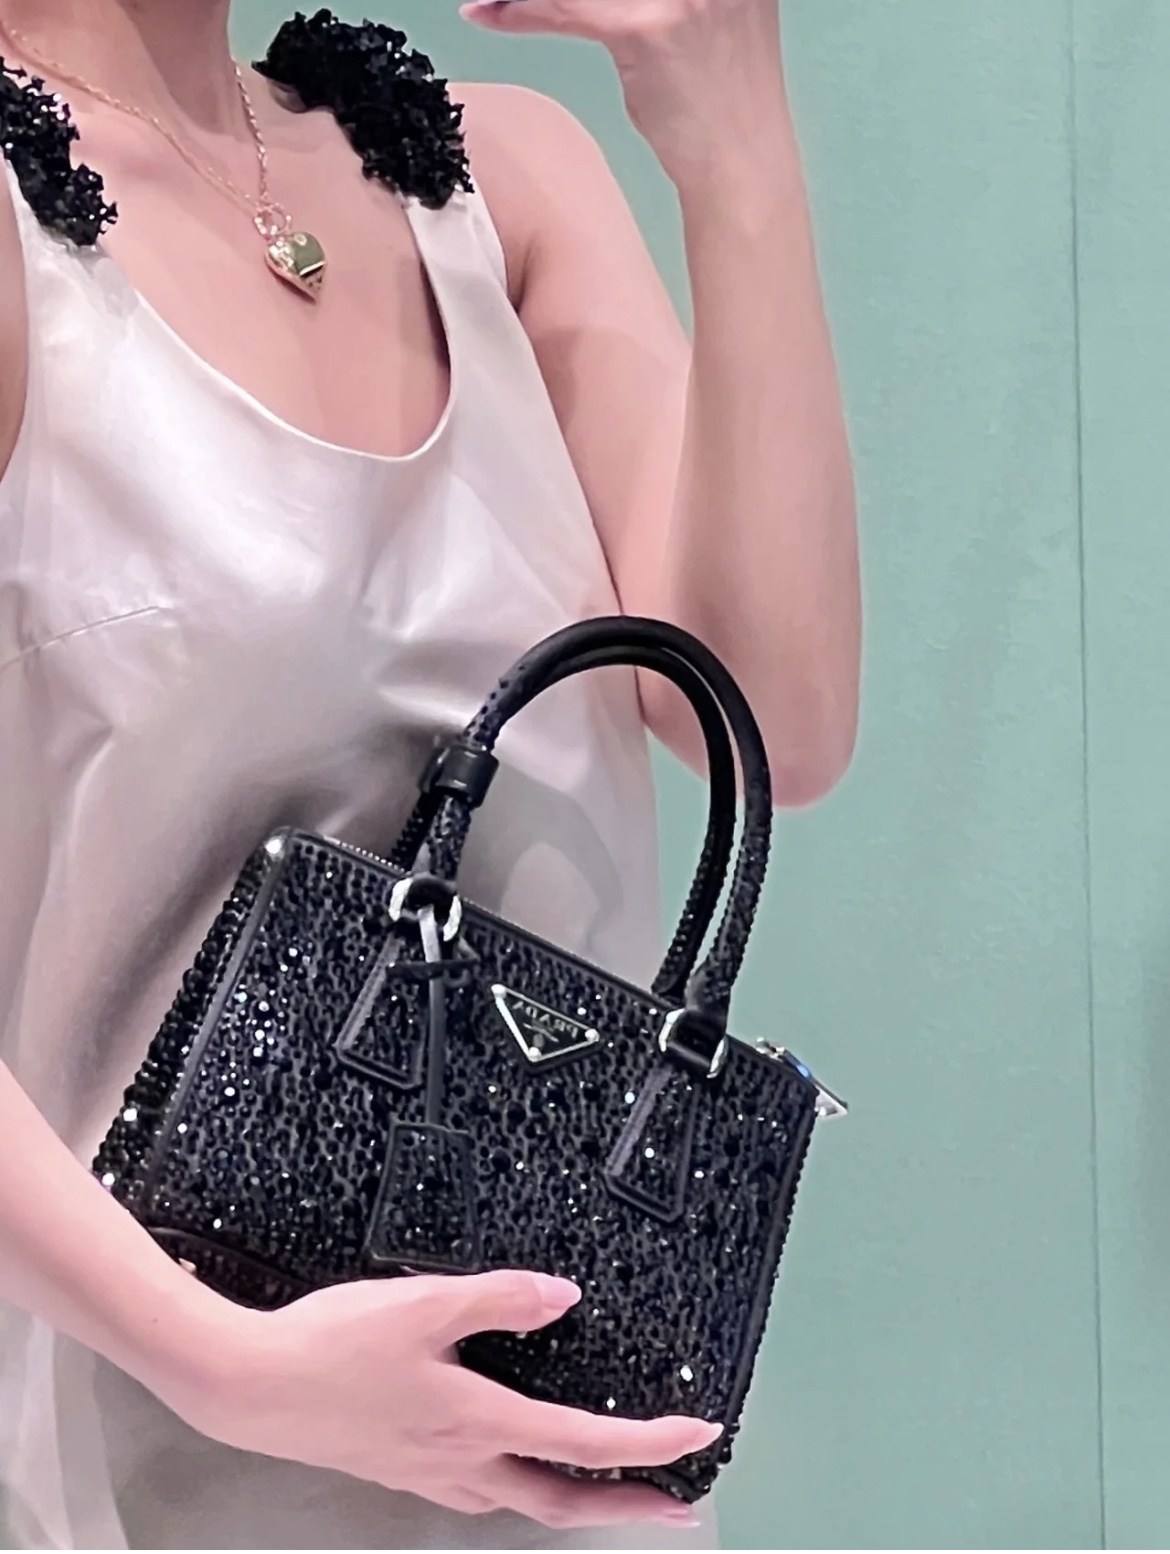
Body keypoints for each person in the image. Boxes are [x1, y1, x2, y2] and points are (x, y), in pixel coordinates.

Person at [0, 0, 859, 1547]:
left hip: (554, 1459)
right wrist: (225, 1362)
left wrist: (732, 138)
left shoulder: (495, 179)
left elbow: (777, 717)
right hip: (142, 1461)